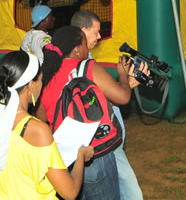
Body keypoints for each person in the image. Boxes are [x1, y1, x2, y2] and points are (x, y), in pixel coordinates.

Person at [0, 51, 93, 200]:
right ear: (30, 85)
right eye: (41, 80)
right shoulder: (37, 130)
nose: (42, 85)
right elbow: (70, 192)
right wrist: (81, 156)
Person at [40, 25, 142, 200]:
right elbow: (123, 97)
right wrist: (123, 75)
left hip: (62, 157)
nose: (88, 49)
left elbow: (41, 118)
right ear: (77, 50)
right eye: (84, 44)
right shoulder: (88, 67)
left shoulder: (46, 75)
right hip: (95, 155)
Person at [70, 10, 145, 200]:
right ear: (82, 31)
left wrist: (127, 83)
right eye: (95, 32)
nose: (99, 36)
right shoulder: (82, 64)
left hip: (108, 141)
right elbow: (116, 98)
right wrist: (123, 77)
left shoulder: (86, 60)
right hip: (101, 145)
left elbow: (100, 98)